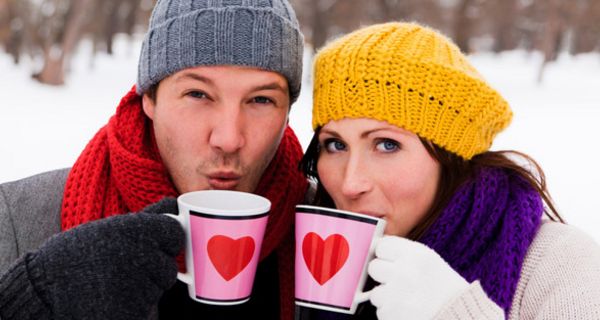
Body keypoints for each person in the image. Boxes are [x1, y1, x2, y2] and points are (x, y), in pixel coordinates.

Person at [0, 0, 307, 319]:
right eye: (197, 94)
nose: (228, 139)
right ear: (149, 97)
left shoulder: (331, 233)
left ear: (286, 114)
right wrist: (33, 297)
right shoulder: (16, 218)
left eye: (261, 99)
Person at [298, 22, 600, 320]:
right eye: (335, 145)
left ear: (451, 158)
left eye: (387, 144)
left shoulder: (561, 264)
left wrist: (453, 312)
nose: (350, 184)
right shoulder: (305, 245)